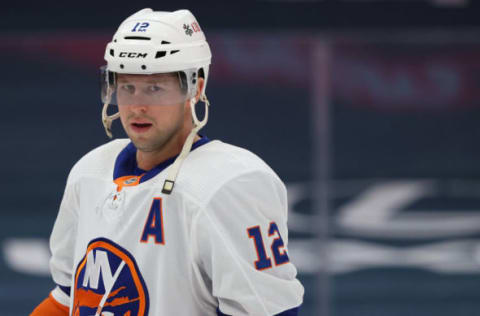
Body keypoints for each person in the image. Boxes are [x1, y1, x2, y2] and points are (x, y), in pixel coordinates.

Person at [31, 8, 304, 316]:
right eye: (127, 87)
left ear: (196, 87)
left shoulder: (231, 184)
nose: (137, 105)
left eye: (155, 88)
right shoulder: (90, 171)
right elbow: (68, 298)